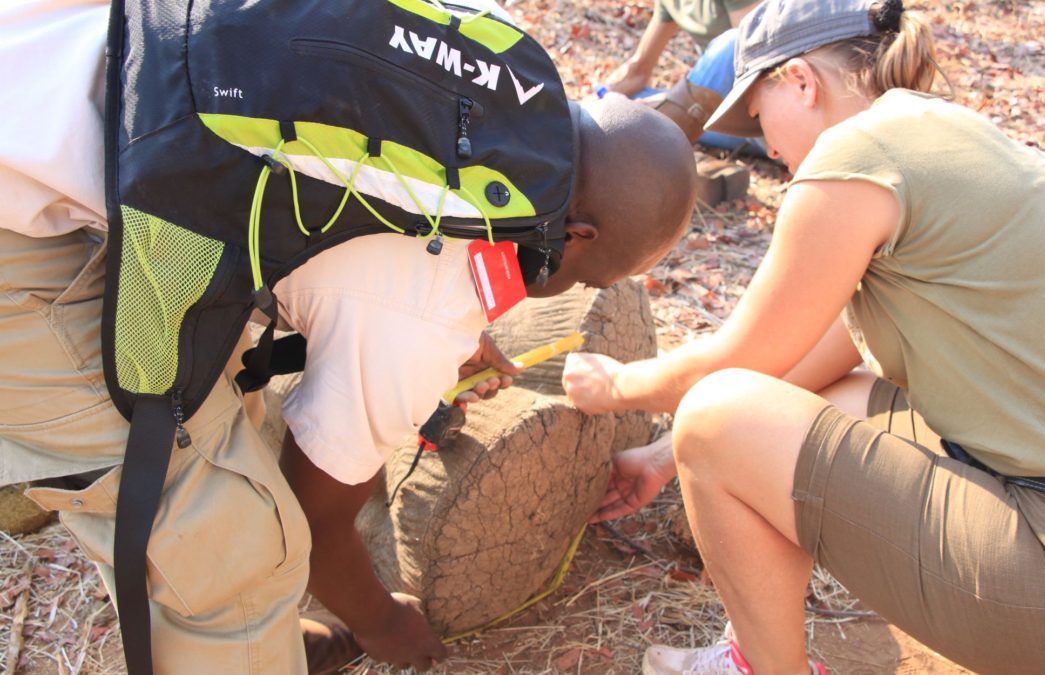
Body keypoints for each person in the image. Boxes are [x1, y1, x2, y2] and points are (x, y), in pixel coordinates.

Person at [0, 2, 697, 674]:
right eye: (581, 278)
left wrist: (418, 342)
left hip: (52, 46)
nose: (569, 288)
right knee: (239, 558)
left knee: (230, 424)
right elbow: (318, 522)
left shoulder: (482, 51)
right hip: (16, 202)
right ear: (577, 234)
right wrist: (381, 622)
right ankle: (237, 636)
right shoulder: (429, 311)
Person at [563, 0, 1045, 673]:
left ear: (801, 81)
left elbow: (737, 362)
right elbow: (820, 353)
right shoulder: (936, 134)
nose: (768, 146)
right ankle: (754, 648)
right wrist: (666, 456)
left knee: (716, 414)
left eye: (758, 116)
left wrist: (616, 386)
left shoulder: (856, 154)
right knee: (843, 396)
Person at [602, 0, 764, 149]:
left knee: (731, 43)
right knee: (628, 104)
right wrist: (598, 100)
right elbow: (639, 69)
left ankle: (641, 149)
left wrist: (675, 101)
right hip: (730, 124)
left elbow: (753, 55)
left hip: (764, 121)